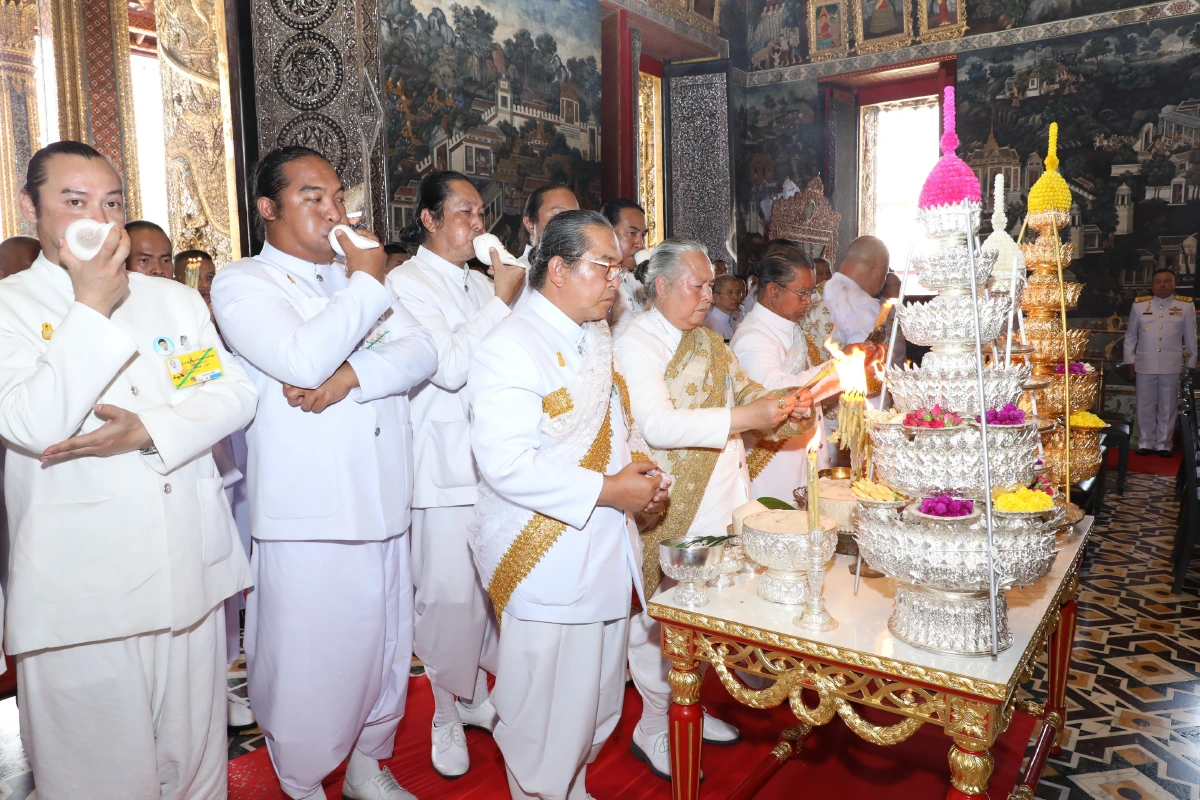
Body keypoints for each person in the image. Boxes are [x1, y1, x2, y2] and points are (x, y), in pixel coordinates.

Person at [0, 139, 256, 798]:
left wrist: (153, 430)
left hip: (187, 576)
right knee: (96, 780)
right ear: (31, 207)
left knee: (196, 772)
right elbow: (34, 423)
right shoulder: (11, 308)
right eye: (75, 201)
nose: (98, 217)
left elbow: (232, 395)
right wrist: (89, 305)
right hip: (82, 593)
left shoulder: (170, 301)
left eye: (111, 202)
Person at [211, 145, 437, 800]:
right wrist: (367, 284)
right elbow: (297, 358)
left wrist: (352, 378)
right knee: (311, 664)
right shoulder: (243, 282)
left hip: (385, 498)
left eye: (337, 196)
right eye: (313, 197)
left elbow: (422, 351)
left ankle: (370, 764)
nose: (333, 211)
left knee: (388, 655)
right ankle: (303, 778)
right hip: (311, 512)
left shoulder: (351, 281)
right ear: (267, 208)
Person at [467, 210, 668, 800]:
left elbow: (615, 432)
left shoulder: (594, 335)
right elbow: (506, 465)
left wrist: (642, 479)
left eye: (618, 266)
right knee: (545, 724)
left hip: (606, 554)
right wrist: (611, 491)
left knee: (596, 711)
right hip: (546, 560)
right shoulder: (509, 348)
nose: (618, 278)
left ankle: (571, 787)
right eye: (605, 266)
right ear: (557, 269)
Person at [614, 238, 813, 779]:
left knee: (707, 609)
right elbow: (656, 424)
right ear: (660, 287)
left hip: (725, 493)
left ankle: (688, 703)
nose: (709, 295)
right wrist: (746, 416)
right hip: (672, 500)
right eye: (697, 285)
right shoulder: (637, 341)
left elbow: (746, 392)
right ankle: (654, 724)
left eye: (710, 286)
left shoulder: (708, 339)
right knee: (661, 616)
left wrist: (790, 403)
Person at [387, 171, 527, 778]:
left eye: (480, 212)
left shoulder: (479, 283)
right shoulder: (402, 282)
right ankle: (444, 706)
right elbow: (446, 367)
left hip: (497, 463)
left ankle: (473, 695)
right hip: (440, 468)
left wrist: (503, 297)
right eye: (465, 212)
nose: (477, 224)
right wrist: (502, 299)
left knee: (493, 592)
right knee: (446, 597)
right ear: (429, 218)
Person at [731, 244, 840, 501]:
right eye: (801, 293)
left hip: (802, 452)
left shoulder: (788, 325)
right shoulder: (752, 338)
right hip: (774, 465)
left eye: (811, 292)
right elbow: (778, 392)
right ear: (772, 291)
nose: (809, 301)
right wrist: (842, 370)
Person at [1123, 268, 1197, 456]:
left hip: (1171, 364)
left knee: (1168, 405)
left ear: (1174, 284)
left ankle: (1164, 444)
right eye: (1158, 281)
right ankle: (1145, 442)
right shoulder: (1139, 306)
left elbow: (1190, 337)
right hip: (1144, 363)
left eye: (1167, 281)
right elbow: (1131, 336)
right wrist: (1129, 360)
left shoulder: (1185, 306)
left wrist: (1192, 361)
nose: (1162, 284)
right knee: (1145, 404)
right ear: (1152, 284)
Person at [513, 183, 579, 310]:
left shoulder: (581, 270)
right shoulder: (517, 274)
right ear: (530, 224)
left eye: (575, 217)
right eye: (559, 216)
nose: (570, 225)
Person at [601, 198, 648, 338]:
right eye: (632, 233)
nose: (641, 244)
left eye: (643, 235)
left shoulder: (637, 281)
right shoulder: (596, 283)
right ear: (607, 232)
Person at [703, 273, 744, 339]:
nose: (735, 297)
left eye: (738, 292)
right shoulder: (708, 327)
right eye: (730, 293)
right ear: (716, 297)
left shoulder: (736, 324)